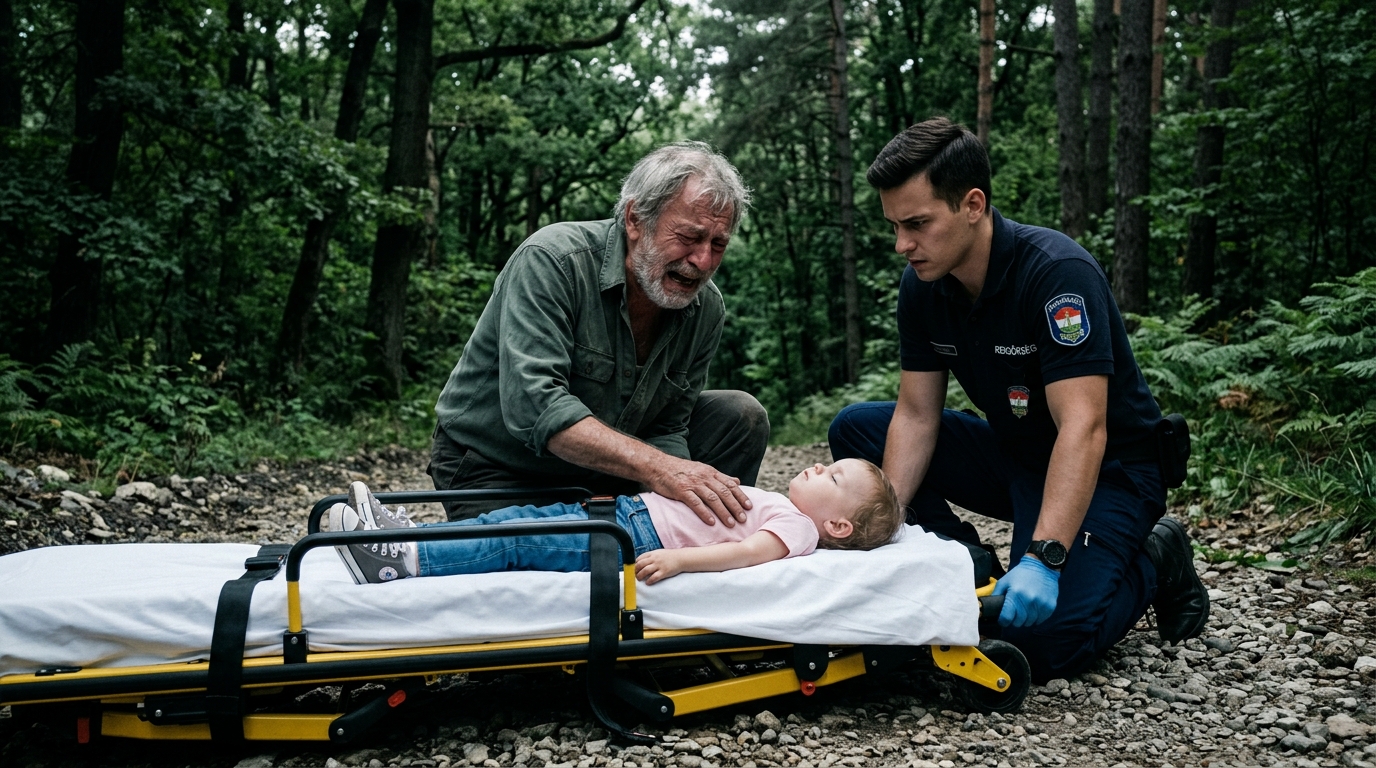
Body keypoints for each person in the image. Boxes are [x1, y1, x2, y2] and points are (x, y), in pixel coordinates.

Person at [827, 117, 1210, 682]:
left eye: (916, 224)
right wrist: (883, 532)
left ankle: (1157, 557)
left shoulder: (1057, 276)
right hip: (1018, 452)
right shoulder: (924, 286)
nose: (901, 245)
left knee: (1042, 646)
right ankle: (963, 564)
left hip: (1110, 470)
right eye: (894, 226)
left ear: (973, 204)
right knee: (857, 430)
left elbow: (1085, 428)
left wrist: (1045, 558)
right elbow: (915, 414)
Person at [429, 142, 769, 525]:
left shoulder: (706, 307)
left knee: (739, 415)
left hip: (609, 470)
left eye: (718, 244)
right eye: (689, 238)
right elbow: (537, 409)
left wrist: (679, 500)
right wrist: (661, 470)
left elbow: (670, 426)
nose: (703, 260)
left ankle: (696, 537)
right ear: (635, 220)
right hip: (501, 465)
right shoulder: (552, 260)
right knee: (557, 564)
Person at [328, 462, 903, 585]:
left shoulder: (797, 530)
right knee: (513, 522)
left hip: (633, 538)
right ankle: (403, 538)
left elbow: (746, 554)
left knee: (511, 541)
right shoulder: (791, 506)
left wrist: (679, 559)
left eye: (831, 477)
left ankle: (397, 562)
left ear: (839, 528)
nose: (818, 465)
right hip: (624, 514)